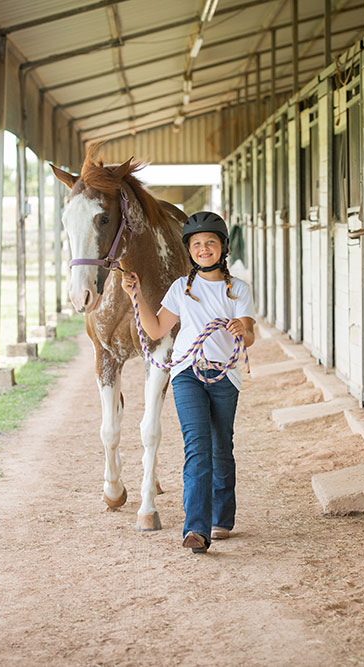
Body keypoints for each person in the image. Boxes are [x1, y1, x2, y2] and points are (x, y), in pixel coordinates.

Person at [121, 211, 255, 554]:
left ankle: (222, 516)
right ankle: (196, 528)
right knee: (197, 448)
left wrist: (243, 331)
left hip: (225, 375)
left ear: (222, 247)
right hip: (187, 373)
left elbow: (249, 333)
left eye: (210, 242)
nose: (203, 249)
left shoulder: (238, 289)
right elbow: (155, 330)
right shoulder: (181, 289)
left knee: (220, 447)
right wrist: (136, 295)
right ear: (189, 251)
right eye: (196, 244)